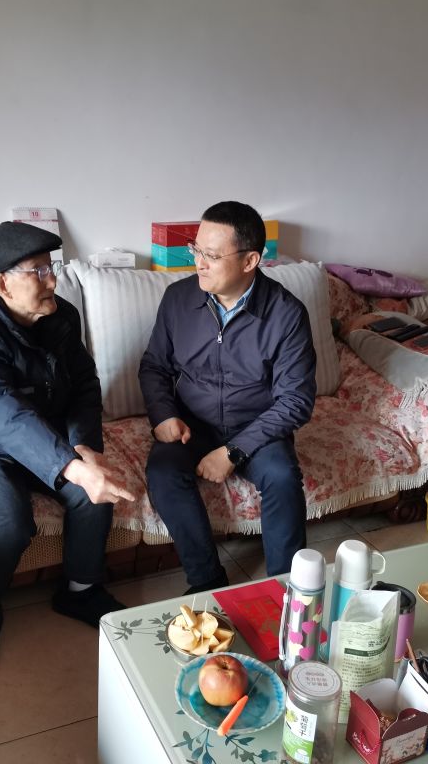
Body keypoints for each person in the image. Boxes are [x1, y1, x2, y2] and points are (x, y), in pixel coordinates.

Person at [0, 221, 135, 679]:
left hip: (45, 434)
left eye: (51, 267)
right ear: (2, 283)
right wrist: (69, 465)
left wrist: (82, 447)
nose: (52, 280)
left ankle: (80, 590)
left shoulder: (61, 316)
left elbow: (84, 385)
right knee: (10, 519)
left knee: (93, 493)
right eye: (37, 272)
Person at [139, 201, 317, 594]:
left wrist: (233, 452)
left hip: (258, 426)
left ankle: (288, 589)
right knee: (163, 473)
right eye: (196, 250)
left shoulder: (286, 314)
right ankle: (206, 580)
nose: (198, 263)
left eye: (212, 255)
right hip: (192, 424)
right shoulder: (178, 299)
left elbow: (295, 401)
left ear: (250, 260)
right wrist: (163, 415)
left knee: (283, 476)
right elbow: (154, 366)